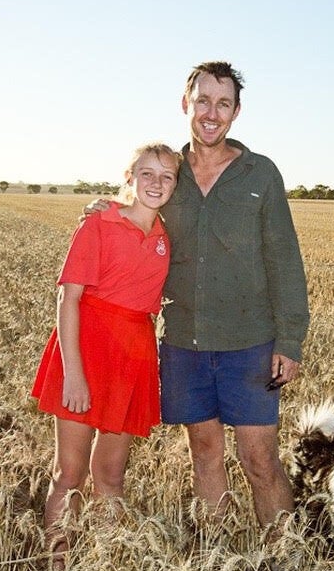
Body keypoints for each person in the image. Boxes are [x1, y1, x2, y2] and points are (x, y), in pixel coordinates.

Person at [88, 62, 310, 530]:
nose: (212, 113)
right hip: (184, 342)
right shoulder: (171, 173)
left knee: (259, 460)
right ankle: (218, 559)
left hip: (250, 342)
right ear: (185, 103)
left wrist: (290, 341)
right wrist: (101, 209)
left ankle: (286, 562)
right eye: (203, 100)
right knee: (205, 454)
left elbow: (285, 260)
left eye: (223, 103)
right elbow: (136, 204)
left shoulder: (260, 174)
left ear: (236, 112)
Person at [31, 143, 180, 562]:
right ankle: (58, 563)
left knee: (111, 476)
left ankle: (102, 562)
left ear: (175, 186)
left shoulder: (166, 235)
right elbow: (69, 299)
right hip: (86, 351)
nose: (156, 183)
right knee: (70, 474)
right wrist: (74, 375)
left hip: (133, 357)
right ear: (129, 176)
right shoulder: (98, 223)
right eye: (146, 173)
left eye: (166, 176)